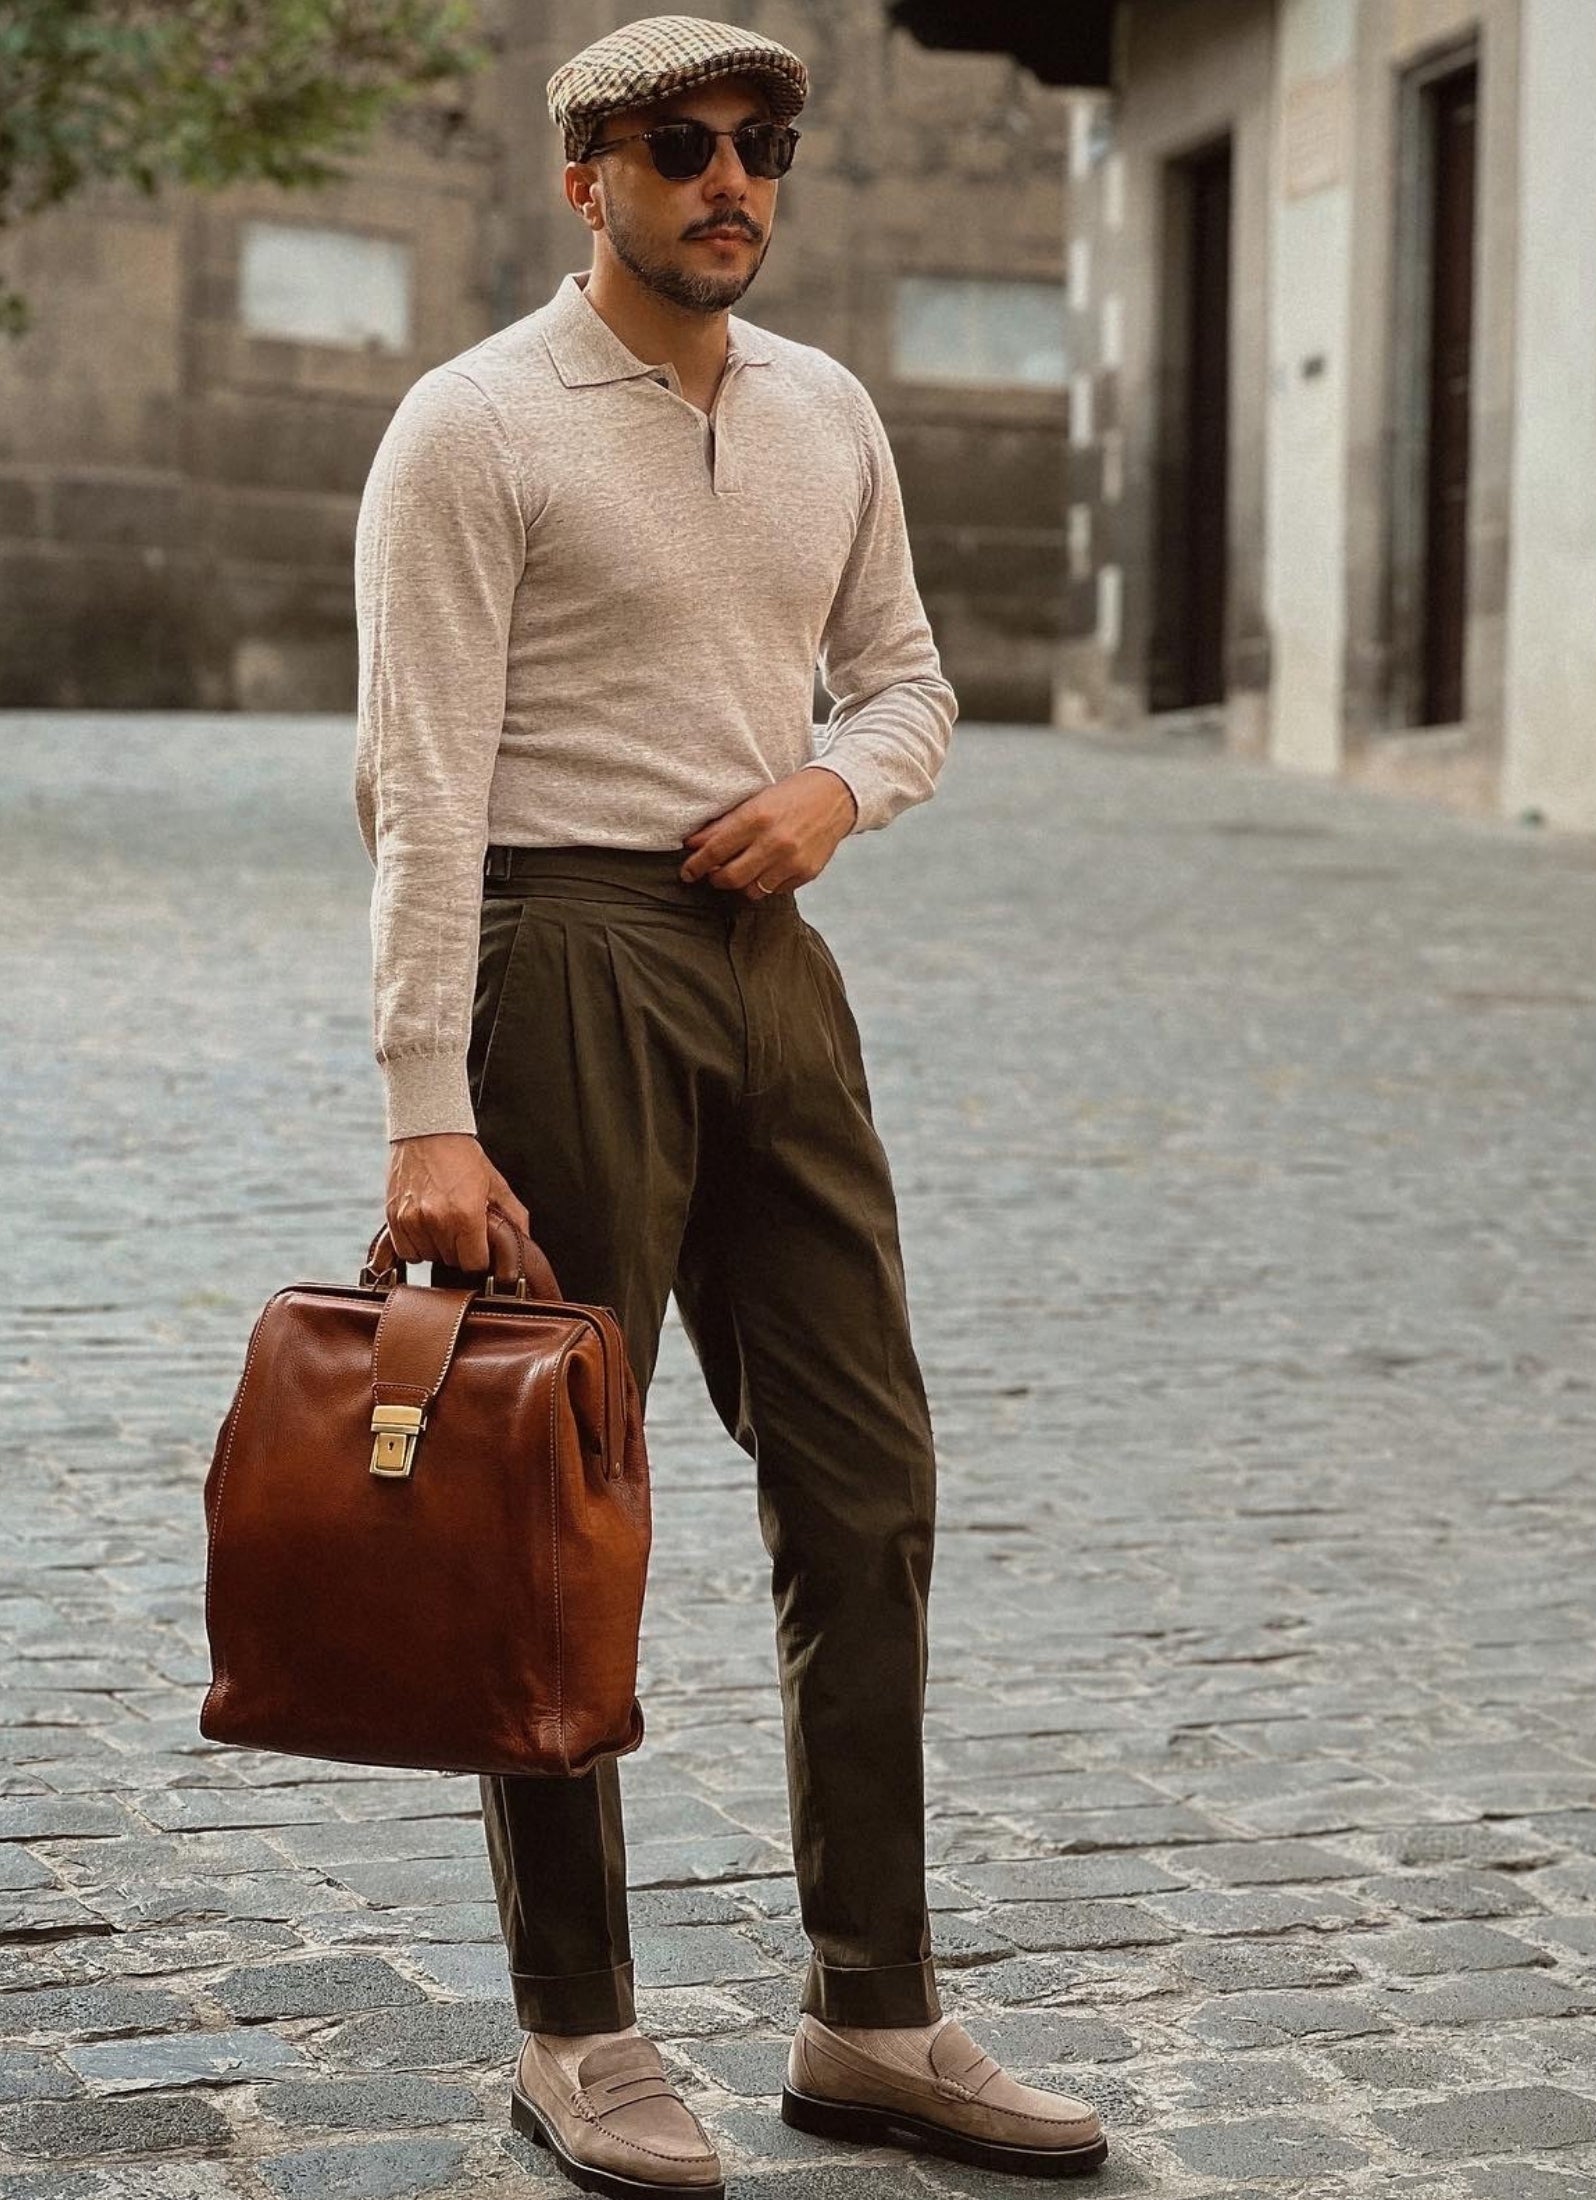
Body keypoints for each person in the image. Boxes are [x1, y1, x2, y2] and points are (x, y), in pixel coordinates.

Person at [352, 14, 1105, 2194]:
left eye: (763, 144)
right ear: (583, 176)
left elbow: (911, 679)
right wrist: (425, 1106)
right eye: (681, 146)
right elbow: (418, 786)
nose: (730, 181)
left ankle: (872, 2009)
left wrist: (835, 791)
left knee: (866, 1479)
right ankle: (575, 2027)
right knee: (551, 1497)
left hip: (774, 968)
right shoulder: (472, 424)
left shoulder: (824, 410)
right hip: (560, 957)